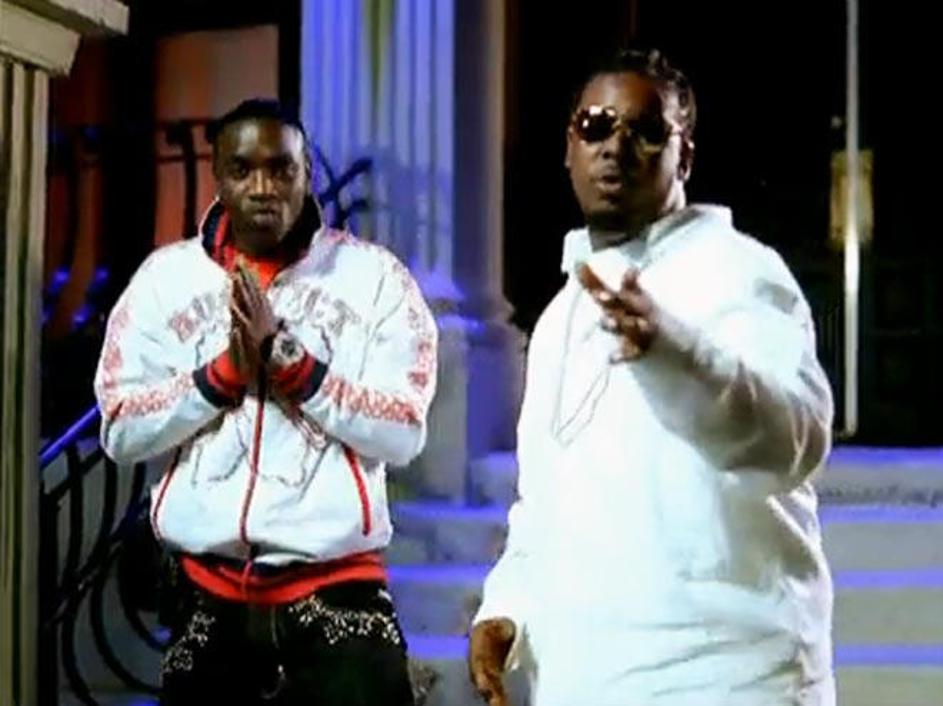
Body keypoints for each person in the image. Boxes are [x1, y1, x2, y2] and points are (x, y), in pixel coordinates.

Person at [468, 48, 835, 706]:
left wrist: (676, 354)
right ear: (569, 147)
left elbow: (792, 439)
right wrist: (508, 607)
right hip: (587, 681)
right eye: (596, 127)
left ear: (683, 157)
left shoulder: (738, 271)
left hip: (726, 678)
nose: (616, 147)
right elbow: (544, 501)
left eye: (644, 130)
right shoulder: (558, 319)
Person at [94, 98, 437, 705]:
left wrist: (290, 363)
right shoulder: (164, 280)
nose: (262, 188)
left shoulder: (375, 278)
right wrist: (221, 377)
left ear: (307, 175)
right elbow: (120, 428)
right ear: (218, 178)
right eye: (242, 169)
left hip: (340, 595)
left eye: (282, 169)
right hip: (206, 596)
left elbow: (403, 429)